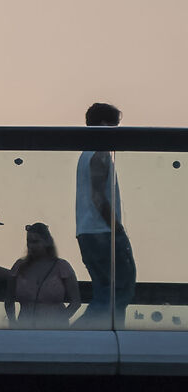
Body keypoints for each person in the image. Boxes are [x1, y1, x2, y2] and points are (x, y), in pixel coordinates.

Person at [77, 103, 135, 329]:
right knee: (119, 291)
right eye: (115, 126)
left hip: (87, 232)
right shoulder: (99, 154)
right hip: (103, 232)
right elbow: (98, 197)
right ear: (103, 125)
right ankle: (90, 338)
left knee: (104, 293)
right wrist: (117, 228)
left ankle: (92, 339)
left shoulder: (84, 154)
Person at [7, 223, 82, 327]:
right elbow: (9, 299)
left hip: (54, 329)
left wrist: (60, 320)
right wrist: (12, 323)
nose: (31, 246)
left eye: (35, 242)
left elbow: (76, 302)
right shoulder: (19, 266)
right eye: (29, 241)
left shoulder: (62, 267)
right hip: (24, 327)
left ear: (47, 242)